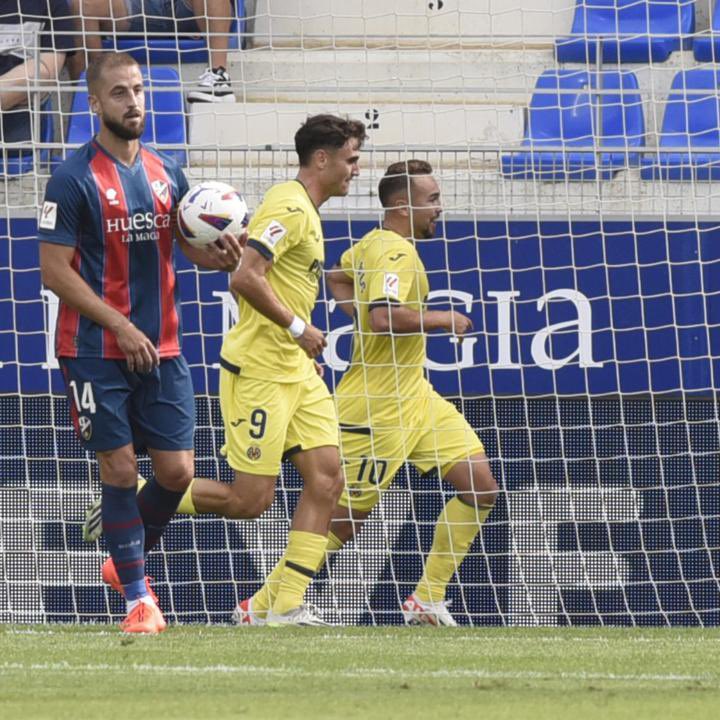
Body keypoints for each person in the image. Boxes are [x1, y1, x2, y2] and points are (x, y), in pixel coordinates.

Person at [236, 160, 498, 626]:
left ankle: (427, 598)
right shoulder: (393, 252)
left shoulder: (374, 246)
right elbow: (383, 317)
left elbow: (337, 275)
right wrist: (446, 319)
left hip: (416, 396)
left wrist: (353, 307)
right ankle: (259, 606)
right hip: (375, 408)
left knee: (481, 487)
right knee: (343, 521)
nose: (440, 208)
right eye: (433, 199)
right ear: (404, 204)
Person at [38, 51, 242, 634]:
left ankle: (122, 558)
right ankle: (138, 598)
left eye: (139, 90)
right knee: (121, 468)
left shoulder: (167, 172)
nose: (134, 102)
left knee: (177, 473)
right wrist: (119, 324)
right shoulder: (72, 178)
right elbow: (54, 271)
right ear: (96, 103)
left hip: (163, 348)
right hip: (94, 350)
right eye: (120, 93)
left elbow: (187, 249)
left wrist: (220, 256)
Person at [67, 0, 236, 102]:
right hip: (137, 7)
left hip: (187, 8)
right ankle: (97, 88)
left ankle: (218, 78)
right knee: (84, 4)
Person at [0, 1, 74, 147]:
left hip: (17, 108)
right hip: (16, 94)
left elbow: (46, 71)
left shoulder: (51, 3)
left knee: (20, 154)